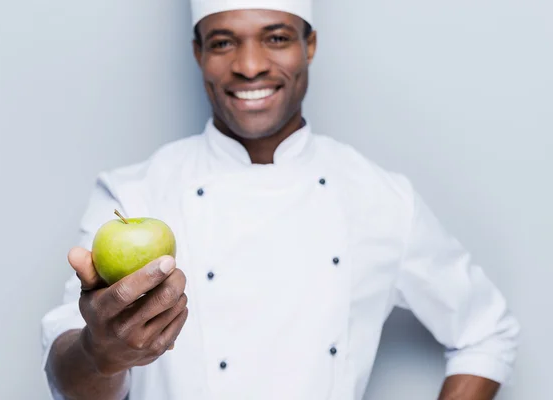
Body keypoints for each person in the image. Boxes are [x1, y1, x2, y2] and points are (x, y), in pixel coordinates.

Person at [40, 1, 520, 399]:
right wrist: (100, 352)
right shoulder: (134, 191)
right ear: (198, 52)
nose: (249, 66)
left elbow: (486, 331)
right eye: (224, 42)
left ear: (309, 44)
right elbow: (67, 378)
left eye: (276, 37)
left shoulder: (379, 196)